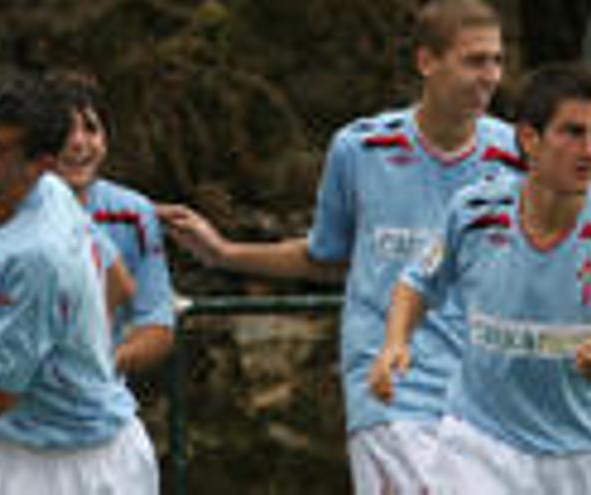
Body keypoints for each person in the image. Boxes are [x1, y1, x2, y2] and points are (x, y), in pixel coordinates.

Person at [158, 0, 523, 491]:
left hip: (489, 398)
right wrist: (224, 253)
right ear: (426, 61)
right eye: (474, 60)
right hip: (390, 395)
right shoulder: (360, 149)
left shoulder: (521, 157)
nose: (490, 76)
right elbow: (328, 258)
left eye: (496, 61)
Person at [0, 74, 157, 494]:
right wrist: (69, 348)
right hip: (28, 445)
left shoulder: (34, 253)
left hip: (61, 467)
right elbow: (119, 285)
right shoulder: (52, 191)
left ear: (39, 165)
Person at [375, 62, 591, 494]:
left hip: (578, 454)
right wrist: (395, 342)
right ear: (529, 138)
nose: (589, 148)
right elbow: (417, 280)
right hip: (478, 444)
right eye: (573, 132)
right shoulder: (475, 211)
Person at [52, 74, 175, 374]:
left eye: (91, 129)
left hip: (101, 401)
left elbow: (157, 324)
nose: (78, 142)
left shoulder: (133, 213)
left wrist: (103, 366)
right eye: (63, 131)